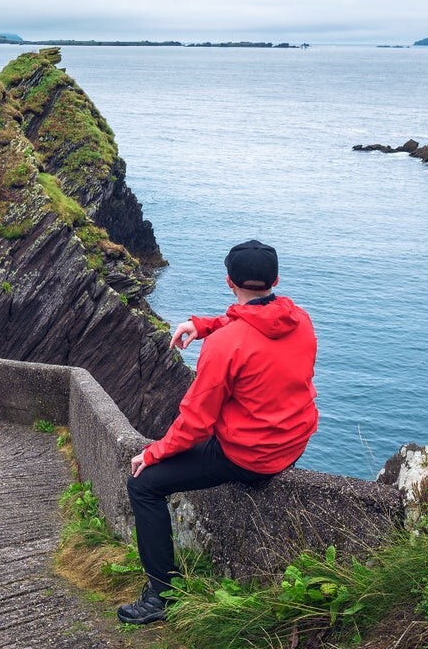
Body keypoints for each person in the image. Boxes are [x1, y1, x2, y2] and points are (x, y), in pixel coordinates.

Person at [117, 239, 319, 625]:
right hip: (294, 441)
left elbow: (195, 424)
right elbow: (254, 320)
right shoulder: (300, 319)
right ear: (275, 280)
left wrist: (152, 453)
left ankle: (160, 595)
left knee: (143, 485)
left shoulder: (226, 345)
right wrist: (204, 325)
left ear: (229, 281)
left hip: (250, 457)